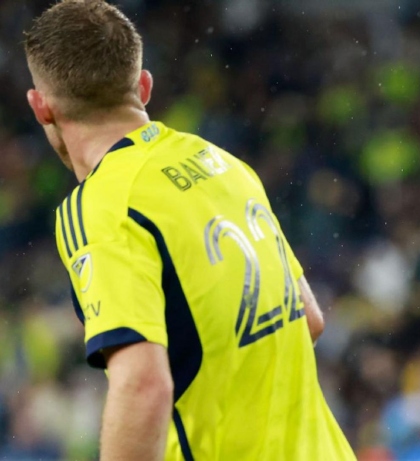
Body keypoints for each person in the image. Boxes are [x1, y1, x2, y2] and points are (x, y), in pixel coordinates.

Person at [23, 1, 355, 459]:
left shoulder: (101, 206)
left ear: (41, 106)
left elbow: (143, 385)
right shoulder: (224, 163)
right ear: (143, 86)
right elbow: (309, 320)